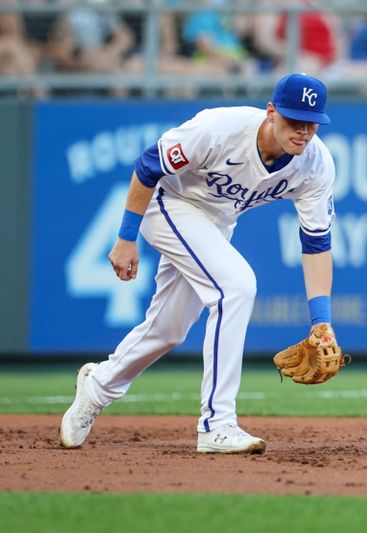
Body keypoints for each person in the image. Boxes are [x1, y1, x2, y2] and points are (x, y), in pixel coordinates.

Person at [59, 73, 340, 454]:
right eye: (294, 120)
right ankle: (217, 424)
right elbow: (147, 166)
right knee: (237, 287)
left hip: (215, 224)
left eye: (311, 123)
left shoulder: (316, 164)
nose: (303, 131)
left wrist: (320, 320)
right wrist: (126, 237)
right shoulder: (218, 129)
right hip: (168, 205)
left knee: (169, 329)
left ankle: (97, 386)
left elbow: (316, 243)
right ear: (271, 112)